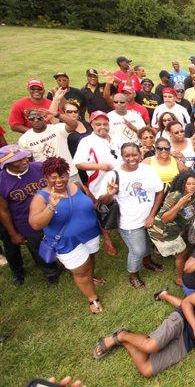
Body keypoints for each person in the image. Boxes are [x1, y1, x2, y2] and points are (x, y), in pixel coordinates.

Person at [93, 282, 195, 377]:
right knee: (150, 346)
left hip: (189, 342)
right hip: (183, 319)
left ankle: (126, 338)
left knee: (147, 371)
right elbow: (187, 302)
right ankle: (119, 336)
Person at [28, 157, 103, 313]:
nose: (59, 180)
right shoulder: (41, 197)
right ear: (46, 178)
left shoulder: (77, 186)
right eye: (53, 177)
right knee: (80, 271)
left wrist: (108, 195)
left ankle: (91, 278)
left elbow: (93, 203)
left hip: (90, 234)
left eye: (62, 176)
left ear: (68, 174)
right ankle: (92, 298)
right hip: (67, 242)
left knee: (89, 260)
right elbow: (35, 224)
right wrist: (51, 206)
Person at [97, 143, 164, 289]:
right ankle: (133, 275)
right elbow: (103, 201)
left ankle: (147, 262)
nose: (131, 158)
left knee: (146, 243)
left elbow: (159, 192)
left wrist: (152, 215)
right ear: (122, 157)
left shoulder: (148, 170)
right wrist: (110, 193)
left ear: (140, 154)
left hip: (148, 218)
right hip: (129, 222)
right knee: (137, 250)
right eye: (127, 155)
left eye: (134, 155)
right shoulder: (114, 175)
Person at [0, 146, 61, 286]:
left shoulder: (40, 167)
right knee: (39, 248)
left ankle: (70, 263)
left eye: (24, 157)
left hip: (53, 214)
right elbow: (3, 210)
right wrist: (13, 233)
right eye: (17, 160)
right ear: (6, 164)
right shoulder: (1, 181)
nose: (24, 161)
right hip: (27, 223)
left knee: (62, 239)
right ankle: (51, 272)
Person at [72, 111, 122, 256]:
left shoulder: (115, 138)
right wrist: (100, 166)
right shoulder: (87, 141)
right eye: (98, 124)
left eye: (105, 124)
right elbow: (78, 163)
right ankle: (107, 239)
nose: (102, 127)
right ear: (91, 124)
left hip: (120, 178)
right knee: (103, 209)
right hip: (100, 181)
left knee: (120, 205)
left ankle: (121, 231)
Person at [148, 171, 195, 286]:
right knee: (182, 253)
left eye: (194, 184)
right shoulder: (175, 196)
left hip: (174, 230)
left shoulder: (192, 195)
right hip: (162, 231)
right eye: (188, 184)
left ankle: (160, 251)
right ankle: (180, 279)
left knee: (182, 251)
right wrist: (179, 204)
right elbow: (165, 219)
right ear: (182, 184)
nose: (192, 187)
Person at [17, 99, 80, 182]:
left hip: (69, 173)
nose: (36, 120)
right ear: (28, 119)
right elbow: (29, 162)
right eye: (32, 118)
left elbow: (74, 125)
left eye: (39, 117)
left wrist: (57, 114)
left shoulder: (57, 128)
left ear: (45, 117)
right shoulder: (24, 139)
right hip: (48, 178)